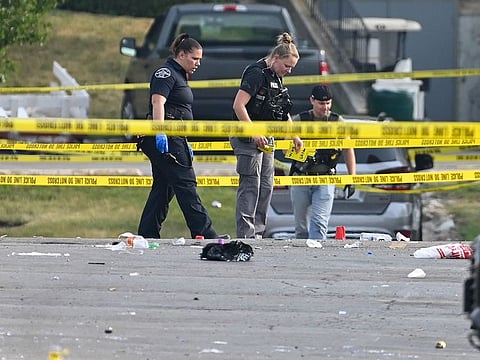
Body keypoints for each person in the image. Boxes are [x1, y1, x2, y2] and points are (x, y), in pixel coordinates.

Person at [137, 33, 221, 239]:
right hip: (168, 136)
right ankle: (205, 232)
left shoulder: (180, 74)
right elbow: (158, 102)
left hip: (177, 137)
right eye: (195, 58)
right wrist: (160, 132)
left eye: (200, 59)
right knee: (186, 184)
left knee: (164, 188)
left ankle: (147, 234)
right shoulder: (166, 73)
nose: (198, 63)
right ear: (181, 55)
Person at [230, 32, 303, 239]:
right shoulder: (256, 73)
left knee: (266, 185)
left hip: (267, 137)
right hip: (247, 136)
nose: (288, 71)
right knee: (250, 185)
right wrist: (253, 133)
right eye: (287, 66)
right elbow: (238, 105)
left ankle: (259, 233)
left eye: (291, 68)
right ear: (276, 58)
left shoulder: (276, 78)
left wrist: (293, 136)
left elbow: (281, 111)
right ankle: (246, 235)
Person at [289, 85, 356, 239]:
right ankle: (300, 258)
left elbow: (348, 149)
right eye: (321, 103)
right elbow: (285, 149)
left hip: (326, 177)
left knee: (319, 224)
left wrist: (352, 178)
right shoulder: (300, 120)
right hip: (301, 176)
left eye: (328, 103)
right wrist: (302, 151)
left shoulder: (337, 122)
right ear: (312, 100)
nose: (325, 107)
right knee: (301, 227)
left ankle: (316, 256)